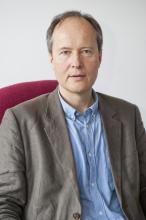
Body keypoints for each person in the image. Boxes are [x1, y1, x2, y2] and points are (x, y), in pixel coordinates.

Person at [0, 10, 146, 220]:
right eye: (65, 52)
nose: (76, 62)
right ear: (52, 58)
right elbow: (6, 202)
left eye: (86, 51)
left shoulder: (128, 115)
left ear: (100, 57)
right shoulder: (19, 120)